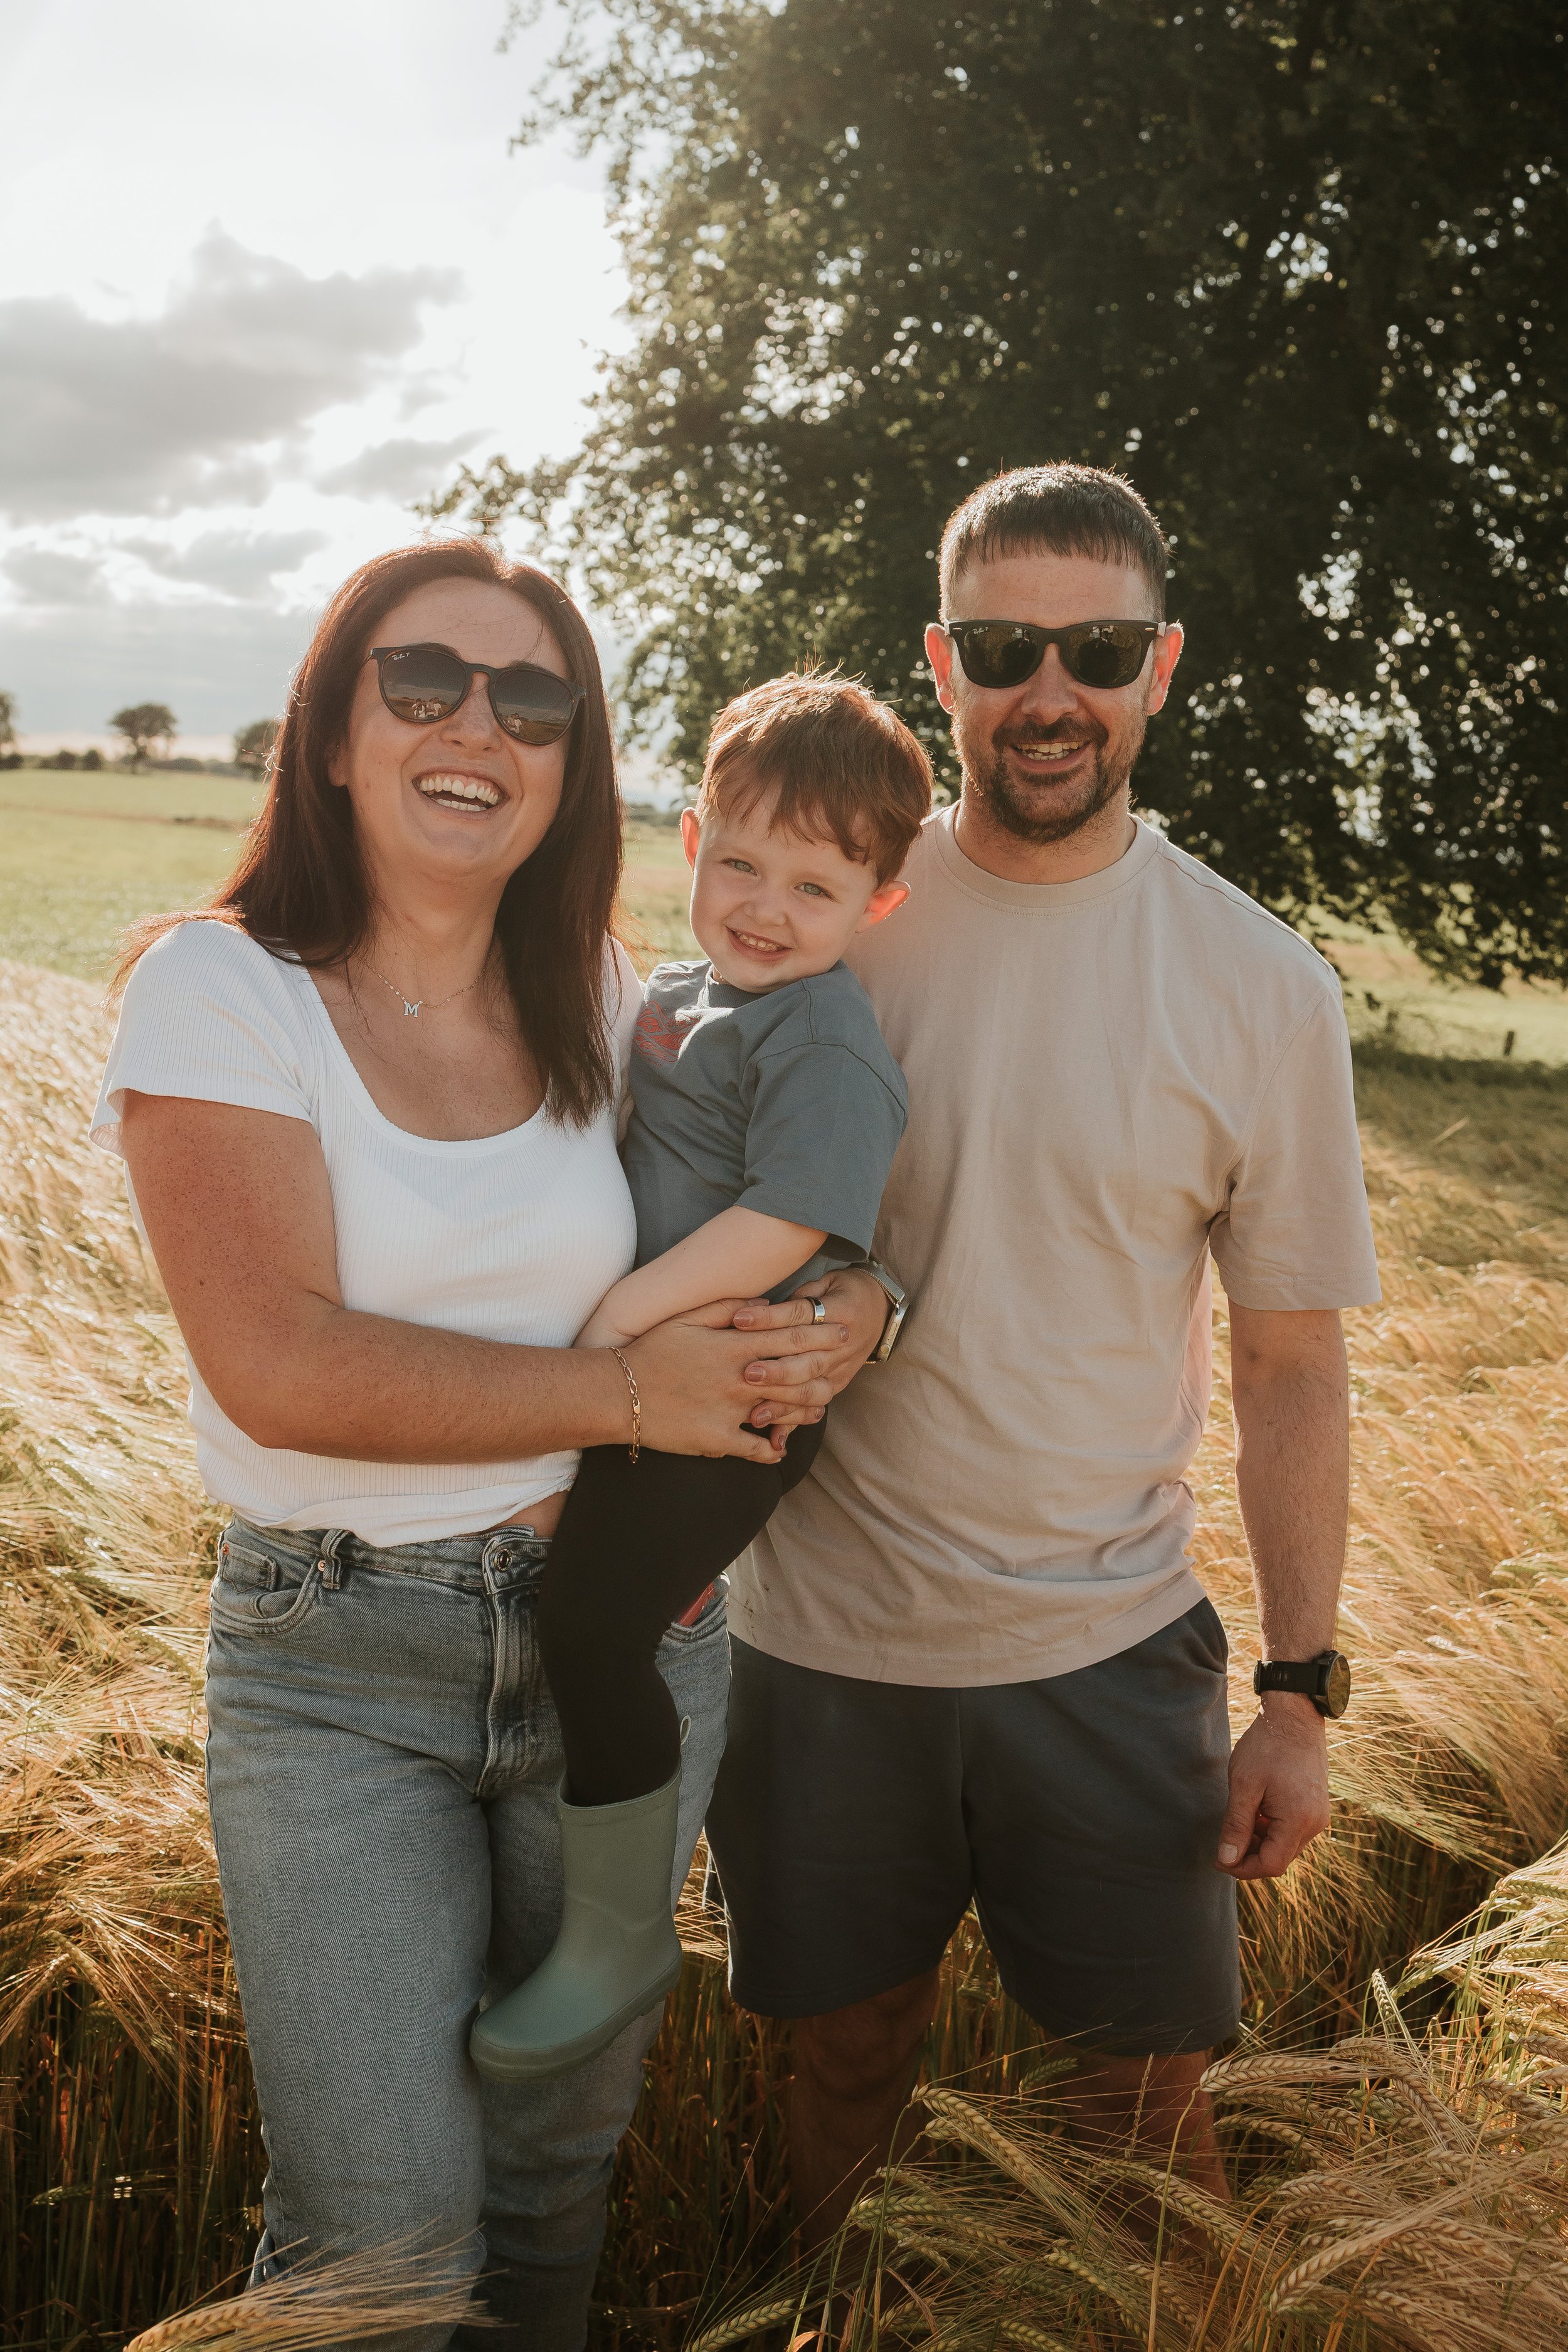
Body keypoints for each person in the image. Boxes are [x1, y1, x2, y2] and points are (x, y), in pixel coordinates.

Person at [90, 539, 837, 2352]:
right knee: (382, 2253)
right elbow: (283, 1362)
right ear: (334, 733)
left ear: (570, 762)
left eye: (533, 699)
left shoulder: (598, 985)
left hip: (633, 1643)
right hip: (341, 1666)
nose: (476, 725)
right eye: (421, 681)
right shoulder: (222, 989)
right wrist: (631, 1397)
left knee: (548, 2184)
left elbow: (780, 1196)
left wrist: (857, 1307)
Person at [705, 462, 1382, 2242]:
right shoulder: (835, 913)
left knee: (1145, 2128)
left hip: (1100, 1647)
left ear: (1159, 667)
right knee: (841, 2065)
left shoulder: (1258, 984)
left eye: (1098, 647)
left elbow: (1290, 1362)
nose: (1050, 690)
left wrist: (1300, 1688)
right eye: (1007, 645)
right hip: (820, 1647)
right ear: (942, 660)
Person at [470, 673, 931, 2085]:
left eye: (812, 884)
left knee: (590, 1629)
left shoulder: (823, 1039)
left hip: (737, 1383)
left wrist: (612, 1318)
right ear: (688, 841)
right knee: (588, 1603)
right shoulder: (675, 996)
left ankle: (617, 1936)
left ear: (876, 904)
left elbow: (784, 1225)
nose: (764, 906)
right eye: (739, 863)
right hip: (658, 1373)